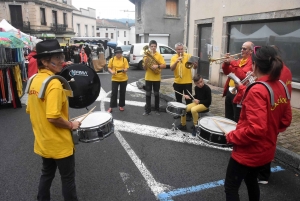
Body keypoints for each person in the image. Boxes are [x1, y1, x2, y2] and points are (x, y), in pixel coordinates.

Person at [224, 46, 292, 201]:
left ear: (254, 65)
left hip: (248, 152)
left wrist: (232, 136)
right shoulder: (282, 86)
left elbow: (256, 129)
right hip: (266, 150)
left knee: (231, 187)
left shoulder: (257, 90)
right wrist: (271, 130)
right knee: (251, 181)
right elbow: (286, 120)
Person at [26, 39, 81, 201]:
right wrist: (71, 124)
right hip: (59, 143)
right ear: (44, 61)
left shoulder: (34, 80)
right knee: (68, 178)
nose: (61, 61)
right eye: (57, 57)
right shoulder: (55, 84)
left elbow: (31, 109)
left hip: (43, 141)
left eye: (61, 56)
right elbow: (52, 116)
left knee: (47, 174)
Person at [256, 45, 292, 185]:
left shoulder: (275, 73)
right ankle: (263, 172)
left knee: (263, 144)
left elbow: (268, 89)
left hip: (270, 111)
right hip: (278, 111)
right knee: (269, 143)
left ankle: (263, 174)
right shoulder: (285, 70)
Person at [222, 41, 254, 122]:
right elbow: (227, 72)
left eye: (244, 49)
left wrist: (232, 62)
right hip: (230, 90)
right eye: (241, 48)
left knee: (236, 117)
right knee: (228, 116)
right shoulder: (239, 61)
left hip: (239, 93)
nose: (242, 50)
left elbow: (242, 76)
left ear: (251, 51)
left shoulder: (251, 63)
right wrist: (225, 64)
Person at [170, 42, 198, 120]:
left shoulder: (188, 56)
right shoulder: (173, 58)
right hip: (177, 82)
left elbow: (195, 67)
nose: (180, 51)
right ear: (176, 50)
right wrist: (176, 61)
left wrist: (195, 65)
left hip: (187, 81)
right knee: (178, 99)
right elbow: (172, 68)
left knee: (188, 99)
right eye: (178, 49)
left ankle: (188, 114)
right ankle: (179, 113)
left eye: (182, 49)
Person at [142, 40, 166, 115]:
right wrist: (146, 63)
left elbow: (164, 65)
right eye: (151, 46)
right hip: (148, 78)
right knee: (148, 94)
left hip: (156, 78)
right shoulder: (146, 55)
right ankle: (147, 110)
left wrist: (157, 66)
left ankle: (157, 110)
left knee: (156, 94)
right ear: (149, 47)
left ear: (156, 47)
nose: (153, 48)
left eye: (154, 46)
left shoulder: (159, 55)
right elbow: (145, 68)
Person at [107, 47, 129, 113]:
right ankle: (111, 107)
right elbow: (109, 68)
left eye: (120, 53)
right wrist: (111, 71)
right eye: (117, 53)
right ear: (115, 53)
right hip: (115, 79)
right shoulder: (112, 59)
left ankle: (121, 105)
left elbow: (127, 68)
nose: (119, 54)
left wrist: (124, 70)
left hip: (123, 79)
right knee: (114, 93)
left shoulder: (124, 59)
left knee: (122, 93)